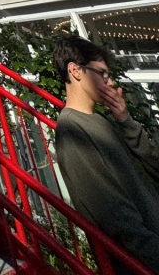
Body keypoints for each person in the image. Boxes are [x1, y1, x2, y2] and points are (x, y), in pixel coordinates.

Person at [53, 35, 159, 273]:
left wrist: (126, 121)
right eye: (102, 73)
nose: (109, 82)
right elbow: (116, 216)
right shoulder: (71, 131)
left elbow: (152, 169)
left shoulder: (102, 120)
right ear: (76, 71)